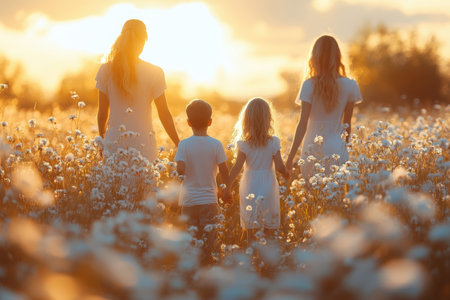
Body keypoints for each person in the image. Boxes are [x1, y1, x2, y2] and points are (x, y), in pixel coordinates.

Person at [96, 19, 179, 162]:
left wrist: (102, 142)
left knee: (115, 184)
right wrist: (179, 144)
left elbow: (102, 114)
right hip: (143, 144)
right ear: (144, 41)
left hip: (113, 143)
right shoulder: (155, 72)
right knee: (143, 184)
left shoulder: (105, 70)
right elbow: (164, 113)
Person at [286, 35, 362, 181]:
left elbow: (302, 124)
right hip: (337, 149)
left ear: (314, 57)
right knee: (337, 197)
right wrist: (344, 149)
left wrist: (290, 158)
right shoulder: (350, 85)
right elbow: (347, 126)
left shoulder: (309, 85)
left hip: (312, 148)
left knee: (314, 196)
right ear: (338, 56)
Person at [224, 98, 289, 242]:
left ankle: (253, 257)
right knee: (269, 228)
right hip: (268, 186)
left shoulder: (244, 144)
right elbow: (279, 166)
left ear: (246, 120)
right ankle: (269, 259)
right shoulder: (273, 142)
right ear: (269, 119)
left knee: (252, 228)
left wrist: (227, 187)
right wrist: (286, 172)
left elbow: (236, 168)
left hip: (249, 187)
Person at [174, 99, 231, 265]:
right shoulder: (216, 144)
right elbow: (224, 171)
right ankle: (207, 269)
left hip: (189, 201)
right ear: (210, 122)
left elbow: (180, 170)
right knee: (209, 242)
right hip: (209, 201)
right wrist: (226, 190)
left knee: (190, 241)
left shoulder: (184, 145)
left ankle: (192, 272)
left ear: (188, 122)